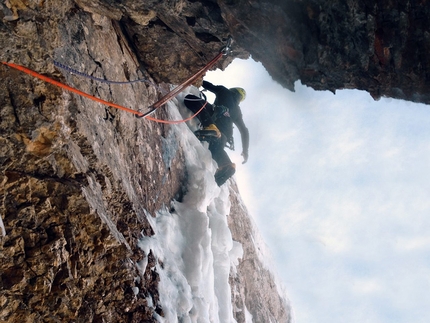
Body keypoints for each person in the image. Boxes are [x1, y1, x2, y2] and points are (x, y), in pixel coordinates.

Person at [184, 80, 249, 186]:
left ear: (234, 90)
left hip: (214, 119)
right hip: (224, 136)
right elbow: (244, 130)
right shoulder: (237, 111)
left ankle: (210, 126)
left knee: (190, 99)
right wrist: (245, 151)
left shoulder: (224, 91)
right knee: (216, 149)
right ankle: (227, 165)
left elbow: (203, 82)